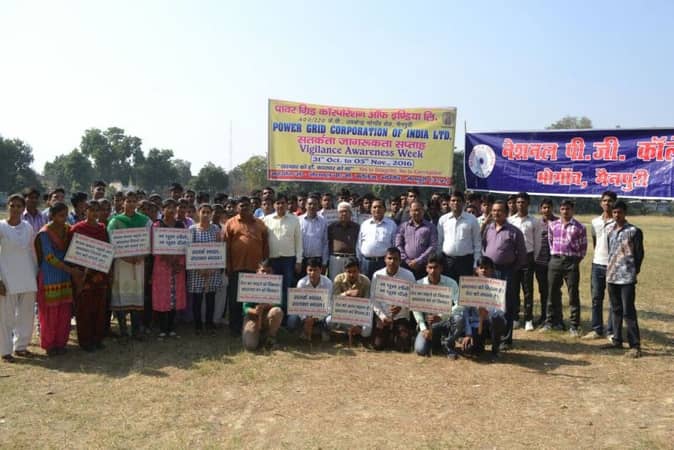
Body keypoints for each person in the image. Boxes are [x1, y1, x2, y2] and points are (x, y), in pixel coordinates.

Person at [35, 202, 82, 355]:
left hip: (64, 276)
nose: (64, 218)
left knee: (64, 311)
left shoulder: (68, 229)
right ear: (52, 216)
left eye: (66, 215)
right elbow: (49, 257)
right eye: (61, 215)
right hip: (50, 276)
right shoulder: (44, 233)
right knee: (50, 313)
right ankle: (49, 345)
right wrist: (71, 270)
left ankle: (61, 343)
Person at [482, 200, 527, 351]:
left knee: (506, 305)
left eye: (500, 210)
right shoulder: (488, 229)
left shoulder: (514, 232)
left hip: (507, 271)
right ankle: (492, 334)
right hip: (490, 271)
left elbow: (522, 255)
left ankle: (506, 339)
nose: (496, 213)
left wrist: (513, 269)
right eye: (494, 210)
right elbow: (484, 247)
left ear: (506, 213)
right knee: (491, 304)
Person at [602, 201, 644, 358]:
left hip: (626, 277)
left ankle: (635, 345)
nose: (616, 215)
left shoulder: (634, 231)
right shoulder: (609, 230)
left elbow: (639, 254)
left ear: (625, 213)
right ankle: (617, 340)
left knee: (628, 311)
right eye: (614, 212)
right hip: (612, 275)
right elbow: (610, 250)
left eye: (619, 212)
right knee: (615, 309)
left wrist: (633, 271)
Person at [107, 191, 150, 340]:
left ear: (137, 203)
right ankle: (123, 331)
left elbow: (150, 242)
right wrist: (126, 257)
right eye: (128, 201)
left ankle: (136, 331)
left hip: (138, 263)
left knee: (136, 297)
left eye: (133, 201)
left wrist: (141, 256)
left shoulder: (145, 221)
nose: (131, 204)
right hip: (121, 264)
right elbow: (112, 244)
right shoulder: (115, 221)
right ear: (123, 202)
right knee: (121, 297)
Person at [68, 200, 111, 351]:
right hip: (83, 275)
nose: (94, 213)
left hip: (99, 274)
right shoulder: (77, 229)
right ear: (85, 211)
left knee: (99, 308)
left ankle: (97, 339)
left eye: (97, 210)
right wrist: (77, 275)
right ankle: (86, 341)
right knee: (84, 308)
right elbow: (71, 252)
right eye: (91, 210)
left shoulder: (102, 229)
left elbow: (107, 249)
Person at [541, 199, 587, 336]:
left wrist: (574, 261)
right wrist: (556, 256)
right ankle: (550, 322)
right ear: (559, 210)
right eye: (562, 209)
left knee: (573, 294)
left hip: (571, 262)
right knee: (551, 293)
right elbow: (550, 242)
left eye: (568, 209)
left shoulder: (579, 227)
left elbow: (583, 248)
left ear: (572, 210)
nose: (565, 211)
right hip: (555, 260)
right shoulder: (553, 225)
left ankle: (574, 325)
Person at [0, 194, 38, 362]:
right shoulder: (1, 227)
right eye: (12, 205)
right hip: (7, 277)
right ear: (7, 206)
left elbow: (32, 251)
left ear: (23, 209)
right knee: (6, 316)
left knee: (26, 314)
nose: (15, 209)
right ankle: (5, 350)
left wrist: (36, 272)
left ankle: (21, 347)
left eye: (19, 206)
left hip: (28, 275)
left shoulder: (28, 227)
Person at [225, 196, 269, 337]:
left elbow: (265, 246)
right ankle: (235, 328)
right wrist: (227, 266)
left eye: (247, 205)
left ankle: (253, 327)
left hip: (255, 269)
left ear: (251, 207)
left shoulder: (260, 224)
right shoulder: (230, 223)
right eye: (241, 205)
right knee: (235, 300)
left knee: (253, 299)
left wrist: (264, 267)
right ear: (237, 208)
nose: (244, 208)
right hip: (236, 267)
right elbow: (225, 247)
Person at [457, 256, 507, 359]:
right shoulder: (469, 286)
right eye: (481, 267)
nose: (483, 270)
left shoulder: (498, 287)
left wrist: (486, 314)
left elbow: (501, 312)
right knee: (469, 349)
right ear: (477, 270)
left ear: (492, 270)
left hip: (490, 324)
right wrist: (468, 334)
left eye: (486, 268)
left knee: (497, 320)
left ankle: (495, 349)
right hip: (475, 324)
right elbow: (465, 312)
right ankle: (475, 343)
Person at [583, 191, 617, 340]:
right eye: (604, 201)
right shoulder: (595, 221)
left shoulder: (617, 221)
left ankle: (611, 331)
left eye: (610, 201)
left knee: (613, 300)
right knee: (596, 298)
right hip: (597, 264)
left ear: (614, 202)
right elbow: (595, 241)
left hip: (613, 265)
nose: (607, 203)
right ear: (600, 203)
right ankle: (597, 329)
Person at [412, 254, 460, 358]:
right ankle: (434, 342)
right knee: (420, 350)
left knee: (459, 318)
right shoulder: (419, 284)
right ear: (426, 268)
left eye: (436, 267)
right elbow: (416, 309)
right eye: (430, 267)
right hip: (427, 325)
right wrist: (423, 328)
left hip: (445, 322)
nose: (433, 271)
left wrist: (442, 316)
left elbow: (459, 305)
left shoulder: (451, 283)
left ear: (441, 268)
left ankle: (448, 344)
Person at [151, 199, 187, 339]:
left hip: (177, 266)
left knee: (174, 298)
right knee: (162, 297)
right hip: (162, 266)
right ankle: (162, 328)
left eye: (174, 207)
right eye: (168, 207)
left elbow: (185, 245)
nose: (171, 210)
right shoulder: (157, 225)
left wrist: (178, 262)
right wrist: (168, 259)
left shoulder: (181, 226)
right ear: (163, 209)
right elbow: (154, 246)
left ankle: (171, 328)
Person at [263, 194, 303, 316]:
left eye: (283, 203)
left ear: (287, 204)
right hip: (271, 260)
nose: (280, 205)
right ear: (274, 205)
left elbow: (298, 242)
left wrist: (299, 261)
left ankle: (285, 316)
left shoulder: (294, 220)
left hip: (288, 260)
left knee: (287, 288)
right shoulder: (266, 220)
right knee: (272, 289)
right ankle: (273, 315)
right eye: (278, 203)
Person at [371, 247, 416, 351]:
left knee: (403, 348)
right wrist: (382, 316)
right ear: (385, 259)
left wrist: (402, 306)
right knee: (377, 346)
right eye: (389, 258)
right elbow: (373, 299)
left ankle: (400, 335)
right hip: (383, 317)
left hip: (401, 316)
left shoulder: (408, 275)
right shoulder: (377, 275)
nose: (392, 261)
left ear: (400, 260)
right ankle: (389, 335)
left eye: (395, 259)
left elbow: (414, 297)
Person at [188, 204, 223, 335]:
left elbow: (219, 249)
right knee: (197, 300)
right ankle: (198, 325)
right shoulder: (192, 229)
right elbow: (189, 249)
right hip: (196, 271)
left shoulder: (216, 229)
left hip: (212, 270)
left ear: (211, 213)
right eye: (203, 212)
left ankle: (209, 324)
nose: (206, 215)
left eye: (208, 212)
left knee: (210, 300)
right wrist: (199, 269)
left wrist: (212, 268)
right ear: (199, 213)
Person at [437, 190, 481, 283]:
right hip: (447, 262)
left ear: (463, 203)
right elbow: (439, 242)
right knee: (448, 289)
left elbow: (477, 243)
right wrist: (438, 262)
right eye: (453, 200)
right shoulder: (443, 220)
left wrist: (475, 264)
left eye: (458, 200)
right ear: (449, 203)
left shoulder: (472, 219)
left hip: (465, 262)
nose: (456, 203)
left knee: (464, 289)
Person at [508, 192, 536, 331]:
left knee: (528, 290)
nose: (520, 205)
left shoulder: (534, 221)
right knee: (514, 289)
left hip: (528, 258)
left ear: (528, 203)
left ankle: (528, 319)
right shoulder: (510, 221)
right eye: (518, 202)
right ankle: (515, 317)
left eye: (523, 202)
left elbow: (537, 242)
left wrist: (534, 259)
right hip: (513, 258)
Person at [241, 259, 284, 351]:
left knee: (277, 311)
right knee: (250, 345)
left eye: (269, 271)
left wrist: (266, 306)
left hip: (267, 315)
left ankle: (271, 338)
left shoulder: (276, 284)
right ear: (257, 271)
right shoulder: (249, 284)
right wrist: (255, 311)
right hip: (252, 317)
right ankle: (259, 334)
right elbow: (245, 307)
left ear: (273, 272)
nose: (265, 274)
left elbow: (280, 303)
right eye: (263, 271)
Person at [331, 256, 372, 343]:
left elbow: (368, 305)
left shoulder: (366, 281)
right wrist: (347, 294)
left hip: (359, 314)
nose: (352, 275)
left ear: (359, 270)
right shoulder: (338, 279)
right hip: (343, 313)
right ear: (344, 270)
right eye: (349, 272)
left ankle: (355, 331)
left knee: (366, 332)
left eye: (354, 271)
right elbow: (334, 300)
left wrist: (357, 322)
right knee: (329, 321)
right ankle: (349, 331)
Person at [395, 200, 438, 280]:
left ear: (423, 211)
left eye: (419, 210)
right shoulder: (403, 227)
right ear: (410, 212)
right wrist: (407, 261)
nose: (417, 213)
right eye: (414, 210)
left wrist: (419, 260)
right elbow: (398, 245)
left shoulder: (431, 227)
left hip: (423, 266)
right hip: (405, 265)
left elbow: (433, 246)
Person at [293, 258, 333, 342]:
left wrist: (316, 318)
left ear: (321, 270)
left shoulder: (328, 283)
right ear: (306, 270)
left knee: (331, 320)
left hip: (321, 315)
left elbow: (329, 305)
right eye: (310, 270)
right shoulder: (301, 283)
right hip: (306, 314)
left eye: (315, 270)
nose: (312, 273)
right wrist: (305, 318)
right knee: (291, 321)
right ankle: (304, 331)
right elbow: (298, 304)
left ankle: (322, 330)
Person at [357, 198, 397, 279]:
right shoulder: (365, 224)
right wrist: (359, 261)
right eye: (374, 207)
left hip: (383, 262)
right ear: (371, 209)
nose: (377, 209)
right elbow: (359, 244)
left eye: (379, 207)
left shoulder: (391, 224)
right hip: (366, 263)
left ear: (384, 209)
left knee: (381, 285)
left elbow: (394, 244)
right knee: (366, 285)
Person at [532, 198, 556, 326]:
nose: (546, 210)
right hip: (540, 262)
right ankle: (543, 316)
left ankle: (555, 318)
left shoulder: (558, 222)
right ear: (540, 209)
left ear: (552, 208)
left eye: (548, 207)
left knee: (554, 291)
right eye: (544, 208)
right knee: (543, 291)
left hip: (554, 262)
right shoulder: (536, 223)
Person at [327, 202, 359, 280]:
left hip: (351, 258)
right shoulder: (331, 227)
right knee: (335, 281)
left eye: (346, 211)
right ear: (338, 214)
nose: (344, 214)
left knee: (350, 282)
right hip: (336, 259)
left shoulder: (357, 227)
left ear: (351, 213)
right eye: (341, 212)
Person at [299, 195, 329, 274]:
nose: (312, 206)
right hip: (302, 260)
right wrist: (298, 261)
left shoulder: (323, 221)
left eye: (315, 204)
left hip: (318, 260)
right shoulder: (299, 220)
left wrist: (324, 263)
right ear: (305, 205)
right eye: (310, 204)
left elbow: (325, 243)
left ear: (318, 206)